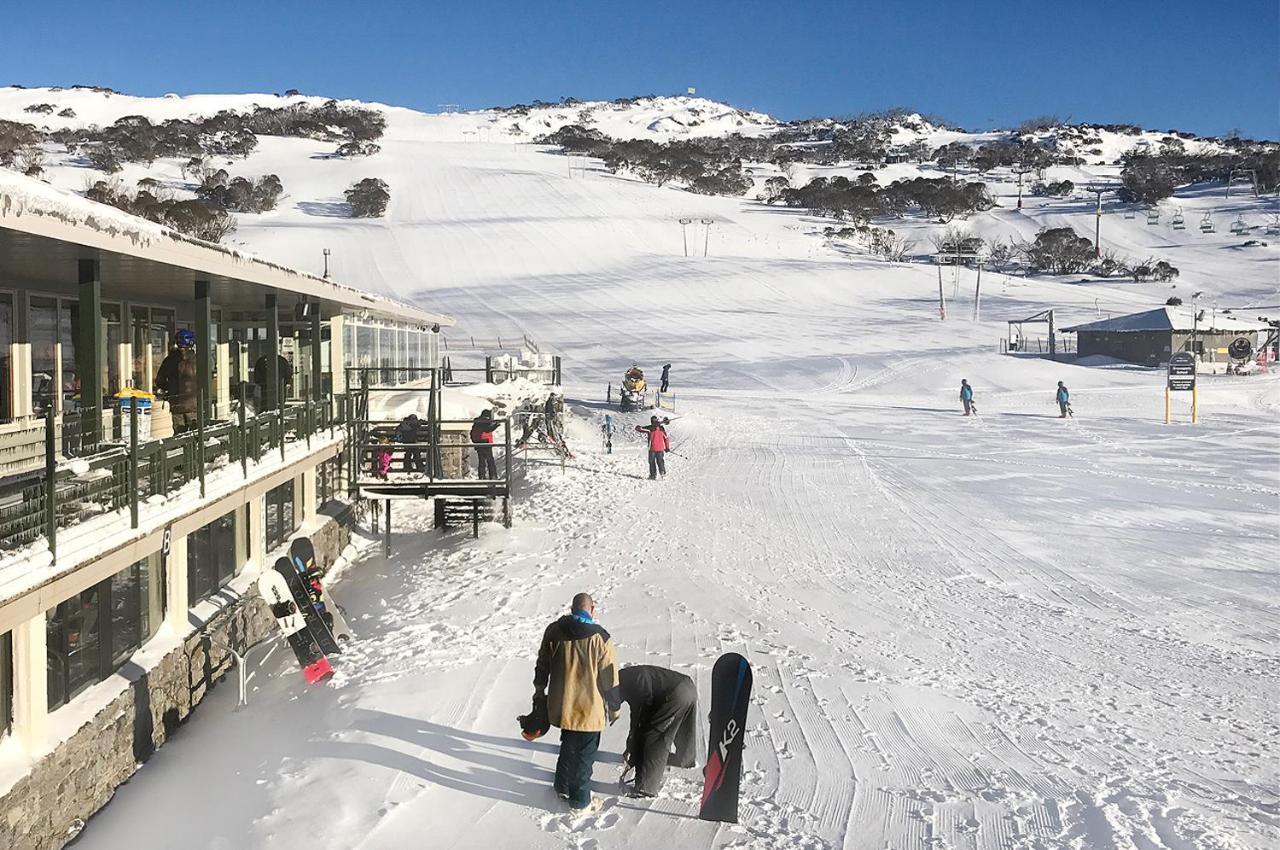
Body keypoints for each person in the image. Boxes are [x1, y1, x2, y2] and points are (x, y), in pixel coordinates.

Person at [532, 592, 620, 813]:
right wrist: (614, 708)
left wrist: (539, 691)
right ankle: (580, 802)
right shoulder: (601, 638)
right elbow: (610, 678)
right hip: (589, 708)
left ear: (572, 609)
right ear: (592, 609)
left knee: (569, 744)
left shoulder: (553, 631)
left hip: (562, 706)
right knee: (584, 756)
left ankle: (561, 786)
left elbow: (542, 663)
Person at [618, 665, 697, 798]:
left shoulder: (631, 682)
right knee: (683, 725)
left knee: (654, 736)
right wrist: (632, 745)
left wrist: (633, 748)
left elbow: (641, 716)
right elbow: (638, 711)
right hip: (688, 686)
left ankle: (646, 788)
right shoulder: (627, 676)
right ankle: (685, 759)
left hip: (675, 694)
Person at [155, 329, 198, 432]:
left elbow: (159, 381)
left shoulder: (169, 360)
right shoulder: (198, 360)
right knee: (196, 434)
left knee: (180, 435)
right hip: (194, 404)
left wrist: (170, 387)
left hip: (176, 403)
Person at [634, 416, 671, 480]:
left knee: (655, 462)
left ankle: (657, 475)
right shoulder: (656, 428)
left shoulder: (655, 428)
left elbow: (638, 429)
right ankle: (658, 475)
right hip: (656, 449)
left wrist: (638, 427)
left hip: (655, 449)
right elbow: (666, 438)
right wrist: (667, 447)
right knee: (656, 462)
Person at [470, 409, 501, 479]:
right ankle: (493, 476)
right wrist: (496, 425)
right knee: (490, 460)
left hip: (478, 442)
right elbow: (487, 429)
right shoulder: (484, 421)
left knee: (482, 460)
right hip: (485, 442)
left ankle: (482, 476)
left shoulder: (477, 421)